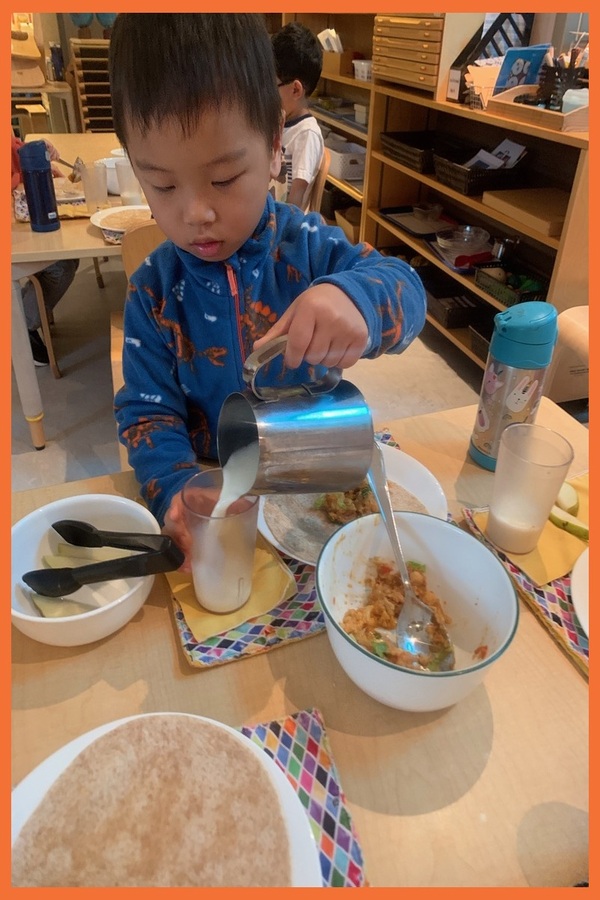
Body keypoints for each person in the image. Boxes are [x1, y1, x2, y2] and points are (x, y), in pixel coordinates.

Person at [108, 13, 426, 568]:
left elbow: (408, 290)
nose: (196, 213)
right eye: (161, 184)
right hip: (220, 503)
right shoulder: (154, 293)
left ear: (275, 142)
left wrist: (357, 300)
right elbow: (147, 416)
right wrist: (176, 486)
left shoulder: (305, 247)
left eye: (225, 179)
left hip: (314, 491)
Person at [11, 131, 79, 366]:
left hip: (22, 211)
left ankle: (24, 317)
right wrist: (26, 171)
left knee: (66, 258)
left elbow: (12, 147)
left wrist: (29, 151)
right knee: (60, 265)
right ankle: (18, 326)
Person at [271, 21, 324, 211]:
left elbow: (296, 201)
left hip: (285, 228)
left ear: (295, 89)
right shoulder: (281, 121)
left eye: (272, 85)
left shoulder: (307, 134)